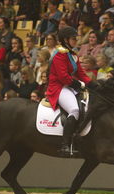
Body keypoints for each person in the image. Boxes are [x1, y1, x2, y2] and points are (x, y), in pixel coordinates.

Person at [46, 26, 93, 156]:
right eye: (73, 39)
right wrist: (79, 84)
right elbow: (63, 77)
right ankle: (65, 145)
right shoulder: (59, 54)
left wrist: (92, 84)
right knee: (74, 110)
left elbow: (81, 73)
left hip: (69, 86)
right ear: (65, 40)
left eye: (76, 38)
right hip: (58, 87)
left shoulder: (72, 54)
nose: (76, 41)